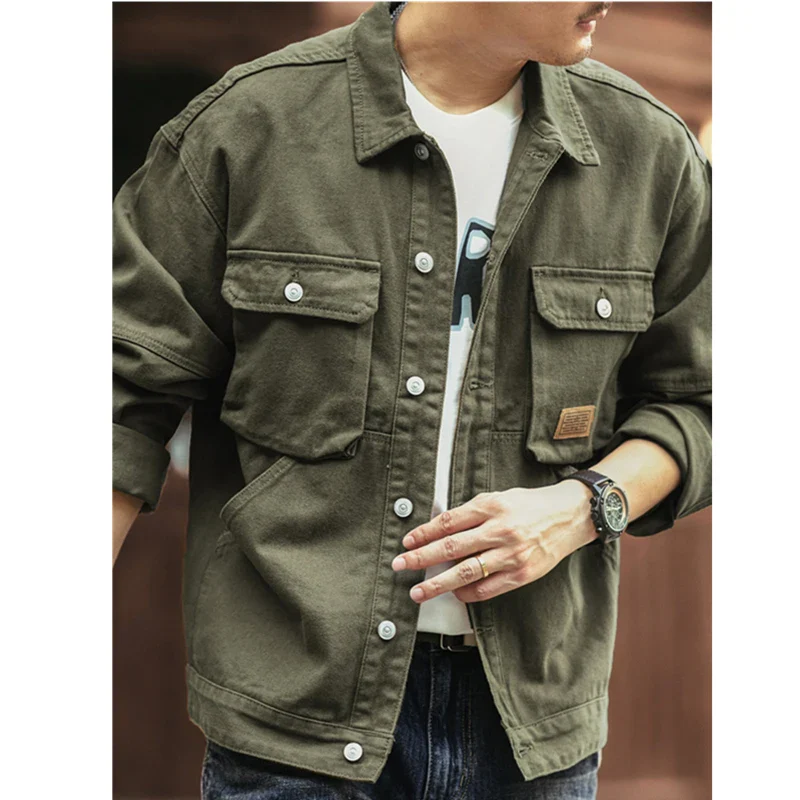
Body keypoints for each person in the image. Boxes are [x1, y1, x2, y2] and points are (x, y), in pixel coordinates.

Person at [112, 2, 711, 798]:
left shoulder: (648, 152)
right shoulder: (250, 125)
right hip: (297, 734)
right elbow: (119, 394)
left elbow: (708, 401)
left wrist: (582, 505)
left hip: (530, 736)